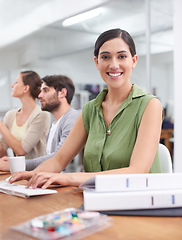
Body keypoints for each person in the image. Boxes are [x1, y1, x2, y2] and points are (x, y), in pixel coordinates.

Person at [9, 28, 163, 189]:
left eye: (122, 56)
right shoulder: (90, 110)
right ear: (97, 62)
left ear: (134, 60)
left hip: (140, 203)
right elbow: (59, 160)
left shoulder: (149, 105)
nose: (114, 64)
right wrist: (34, 175)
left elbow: (137, 171)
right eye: (105, 57)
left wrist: (71, 178)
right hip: (95, 201)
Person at [0, 74, 79, 172]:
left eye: (46, 90)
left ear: (62, 93)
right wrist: (14, 162)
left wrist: (17, 165)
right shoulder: (55, 123)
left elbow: (58, 157)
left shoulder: (72, 118)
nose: (40, 95)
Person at [0, 70, 50, 161]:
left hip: (37, 171)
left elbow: (22, 150)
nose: (12, 85)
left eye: (16, 82)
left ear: (26, 88)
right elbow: (2, 150)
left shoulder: (42, 115)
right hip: (18, 171)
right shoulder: (10, 115)